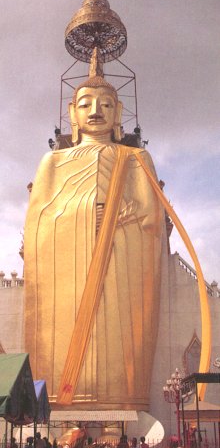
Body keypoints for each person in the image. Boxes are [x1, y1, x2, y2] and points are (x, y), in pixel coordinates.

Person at [24, 48, 163, 408]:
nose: (95, 111)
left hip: (120, 266)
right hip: (65, 278)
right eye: (85, 104)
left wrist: (121, 217)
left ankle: (120, 409)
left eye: (104, 104)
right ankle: (58, 409)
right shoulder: (53, 161)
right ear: (72, 113)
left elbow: (151, 219)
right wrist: (86, 213)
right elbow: (38, 221)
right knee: (62, 336)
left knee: (117, 334)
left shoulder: (134, 158)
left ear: (118, 112)